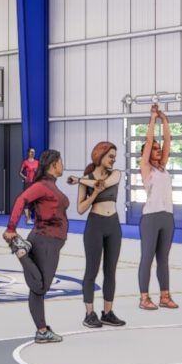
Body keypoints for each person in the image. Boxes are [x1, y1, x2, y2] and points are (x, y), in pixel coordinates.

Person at [4, 150, 71, 344]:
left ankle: (42, 330)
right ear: (54, 164)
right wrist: (11, 228)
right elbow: (21, 199)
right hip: (45, 240)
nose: (63, 165)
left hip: (49, 241)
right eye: (61, 162)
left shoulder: (50, 185)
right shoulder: (42, 186)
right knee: (40, 287)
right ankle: (21, 252)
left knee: (38, 289)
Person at [73, 140, 126, 329]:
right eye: (110, 156)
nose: (113, 160)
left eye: (114, 157)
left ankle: (107, 313)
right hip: (95, 225)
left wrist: (79, 180)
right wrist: (93, 193)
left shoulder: (116, 174)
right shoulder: (86, 179)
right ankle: (89, 313)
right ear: (100, 155)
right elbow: (80, 209)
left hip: (113, 225)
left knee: (110, 271)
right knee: (91, 271)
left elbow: (104, 184)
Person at [133, 103, 178, 311]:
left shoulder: (162, 167)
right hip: (151, 217)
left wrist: (165, 120)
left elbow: (168, 141)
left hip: (167, 217)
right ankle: (144, 298)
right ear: (147, 152)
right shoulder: (145, 167)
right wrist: (152, 118)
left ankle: (165, 296)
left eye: (159, 149)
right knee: (147, 258)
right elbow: (150, 140)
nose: (159, 150)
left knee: (163, 260)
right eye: (155, 149)